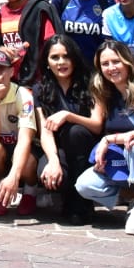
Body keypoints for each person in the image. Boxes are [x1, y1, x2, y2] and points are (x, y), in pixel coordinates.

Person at [73, 40, 134, 234]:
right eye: (105, 64)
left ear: (128, 61)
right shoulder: (104, 92)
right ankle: (133, 195)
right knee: (84, 185)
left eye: (116, 62)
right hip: (120, 163)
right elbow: (98, 124)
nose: (111, 68)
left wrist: (108, 140)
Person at [32, 36, 103, 223]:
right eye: (55, 57)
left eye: (66, 56)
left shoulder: (92, 82)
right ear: (46, 62)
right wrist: (53, 161)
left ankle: (80, 203)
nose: (61, 62)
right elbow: (45, 131)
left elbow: (97, 125)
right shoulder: (40, 89)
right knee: (47, 174)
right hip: (57, 148)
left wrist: (68, 115)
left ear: (74, 58)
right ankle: (67, 198)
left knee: (76, 132)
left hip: (86, 149)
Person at [0, 47, 39, 218]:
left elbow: (25, 139)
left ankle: (30, 193)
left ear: (11, 71)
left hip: (19, 147)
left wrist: (13, 177)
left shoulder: (23, 94)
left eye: (1, 69)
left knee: (29, 160)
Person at [0, 0, 59, 86]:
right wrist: (1, 49)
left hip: (38, 79)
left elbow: (51, 43)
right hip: (10, 78)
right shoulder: (0, 13)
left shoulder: (37, 9)